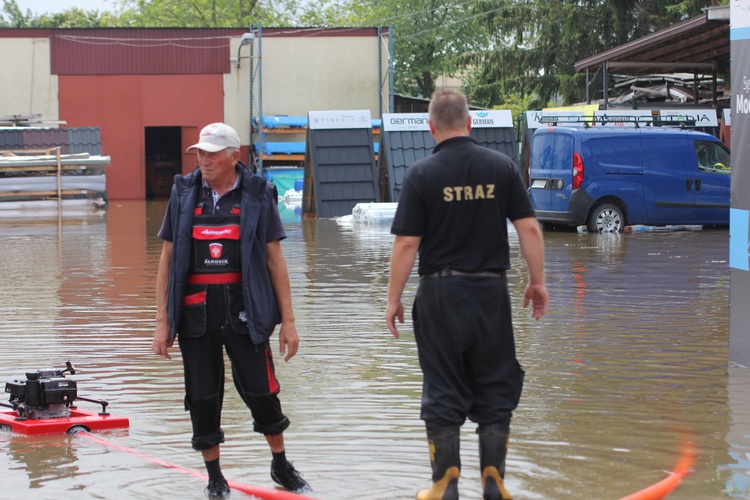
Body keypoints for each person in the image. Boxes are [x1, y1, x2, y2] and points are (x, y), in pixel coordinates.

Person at [385, 88, 548, 500]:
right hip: (490, 293)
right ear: (469, 122)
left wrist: (393, 299)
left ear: (431, 126)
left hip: (440, 293)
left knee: (442, 386)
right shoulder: (502, 166)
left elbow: (406, 244)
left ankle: (444, 485)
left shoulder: (421, 174)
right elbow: (528, 228)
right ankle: (494, 480)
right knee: (495, 385)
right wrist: (537, 281)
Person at [151, 122, 311, 498]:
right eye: (199, 153)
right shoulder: (184, 192)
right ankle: (215, 479)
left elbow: (275, 261)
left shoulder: (258, 193)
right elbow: (167, 258)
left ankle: (280, 465)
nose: (202, 160)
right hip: (195, 317)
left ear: (233, 156)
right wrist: (161, 321)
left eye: (211, 153)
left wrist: (289, 322)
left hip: (247, 313)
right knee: (202, 398)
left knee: (261, 392)